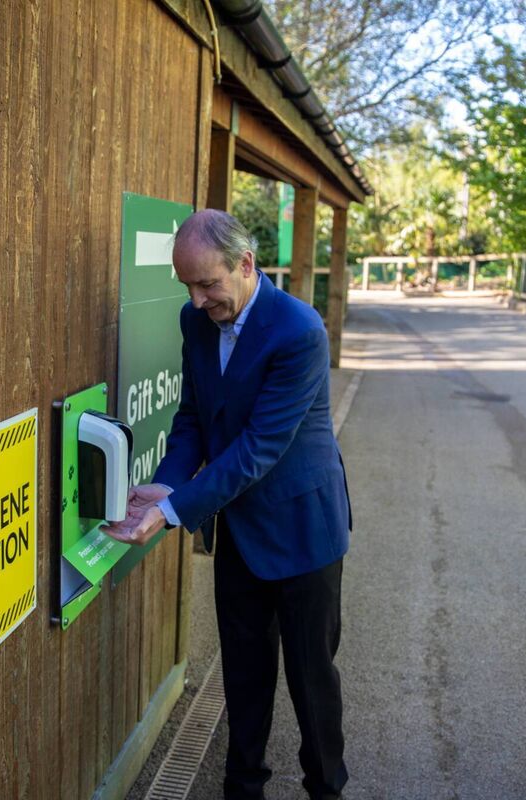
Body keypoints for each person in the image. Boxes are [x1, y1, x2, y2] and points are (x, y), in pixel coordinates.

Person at [103, 209, 351, 800]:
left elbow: (257, 450)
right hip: (240, 528)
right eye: (186, 286)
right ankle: (242, 790)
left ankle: (327, 787)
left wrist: (172, 512)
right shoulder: (197, 323)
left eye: (207, 284)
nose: (195, 300)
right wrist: (165, 485)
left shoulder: (299, 331)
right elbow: (193, 418)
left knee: (311, 679)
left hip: (303, 529)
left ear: (245, 264)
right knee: (243, 675)